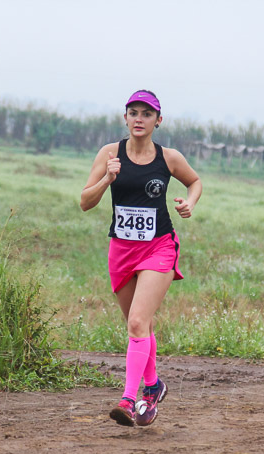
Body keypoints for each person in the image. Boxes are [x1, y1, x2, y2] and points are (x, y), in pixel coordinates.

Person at [80, 90, 202, 427]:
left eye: (146, 114)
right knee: (139, 324)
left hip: (159, 247)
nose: (139, 118)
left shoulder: (169, 158)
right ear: (125, 118)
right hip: (121, 249)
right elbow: (85, 202)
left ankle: (128, 400)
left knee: (137, 322)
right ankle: (153, 386)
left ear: (157, 121)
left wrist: (189, 202)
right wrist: (108, 178)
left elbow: (194, 182)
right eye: (133, 112)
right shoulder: (109, 153)